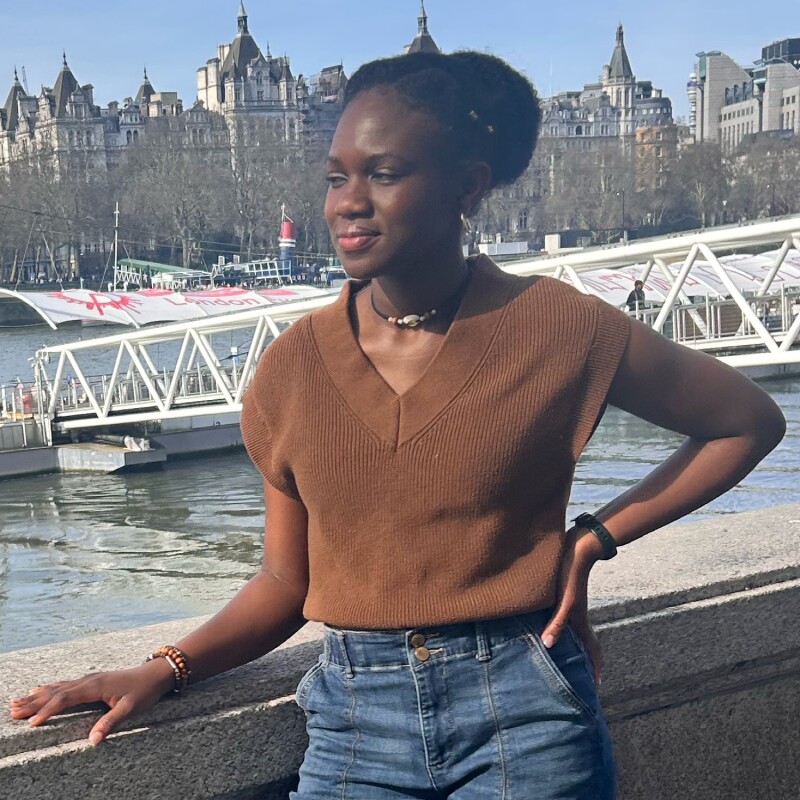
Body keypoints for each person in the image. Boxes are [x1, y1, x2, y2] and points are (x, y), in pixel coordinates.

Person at [9, 51, 785, 799]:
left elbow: (745, 423)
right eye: (336, 177)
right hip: (355, 724)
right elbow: (286, 581)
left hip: (526, 712)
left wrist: (589, 541)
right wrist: (164, 667)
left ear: (467, 186)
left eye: (383, 173)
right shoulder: (292, 368)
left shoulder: (558, 326)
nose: (348, 202)